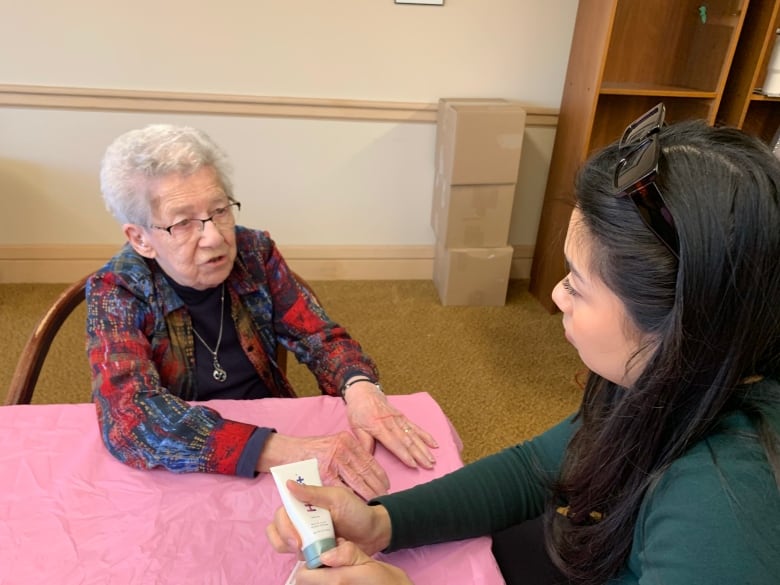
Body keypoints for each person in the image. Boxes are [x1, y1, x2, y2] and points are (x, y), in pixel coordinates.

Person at [266, 104, 780, 584]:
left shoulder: (724, 504)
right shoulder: (662, 373)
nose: (556, 295)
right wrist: (382, 523)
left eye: (577, 283)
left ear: (676, 323)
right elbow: (537, 466)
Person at [86, 124, 438, 501]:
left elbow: (318, 336)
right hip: (190, 461)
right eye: (184, 222)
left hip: (274, 425)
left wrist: (360, 388)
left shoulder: (255, 252)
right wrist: (286, 451)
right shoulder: (117, 289)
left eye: (220, 210)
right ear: (141, 238)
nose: (216, 237)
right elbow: (132, 418)